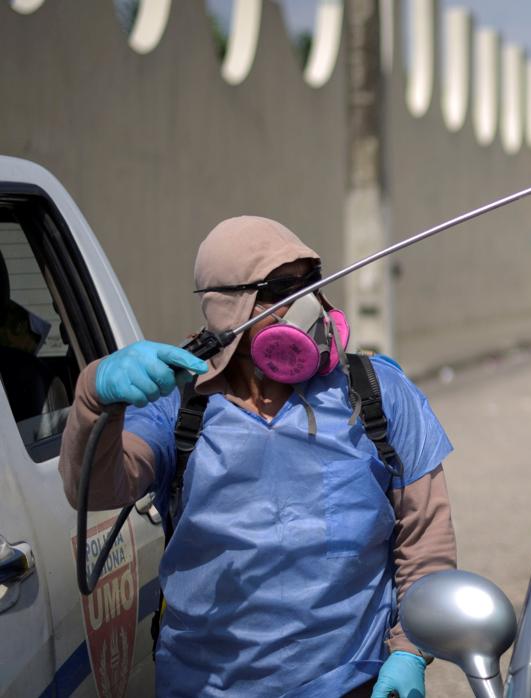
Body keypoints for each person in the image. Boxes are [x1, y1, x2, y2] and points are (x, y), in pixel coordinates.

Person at [59, 216, 454, 697]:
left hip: (350, 681)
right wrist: (94, 396)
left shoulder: (377, 393)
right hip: (203, 685)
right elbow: (100, 488)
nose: (307, 303)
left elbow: (425, 539)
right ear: (229, 307)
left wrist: (410, 650)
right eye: (281, 288)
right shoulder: (178, 406)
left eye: (312, 281)